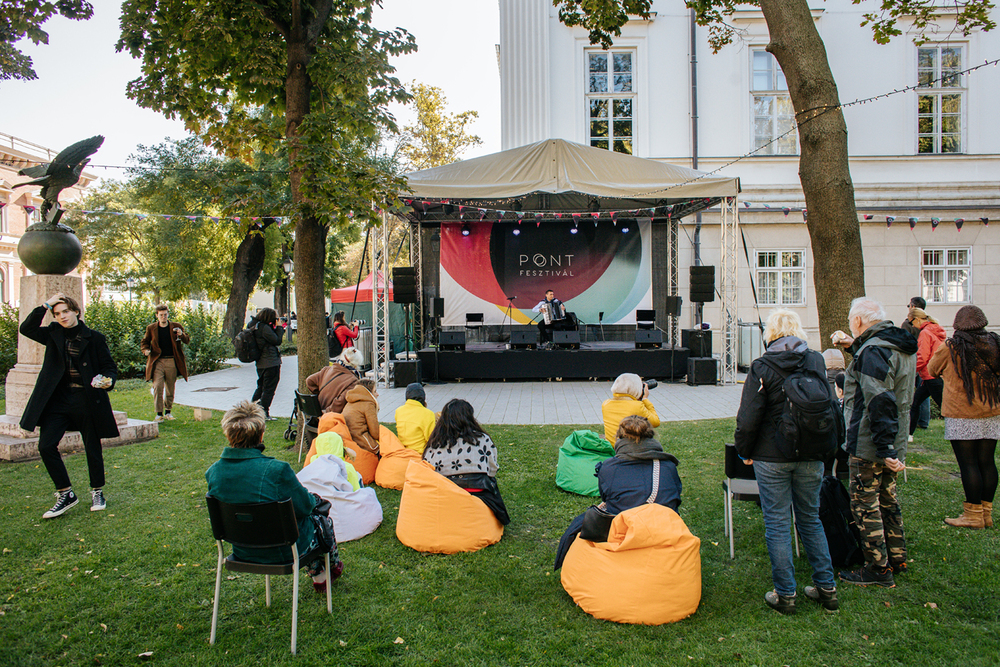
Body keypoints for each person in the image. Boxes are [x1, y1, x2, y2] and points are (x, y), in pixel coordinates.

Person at [734, 309, 842, 614]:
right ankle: (826, 588)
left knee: (778, 523)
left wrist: (744, 450)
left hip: (772, 456)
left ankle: (786, 594)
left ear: (770, 332)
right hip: (812, 451)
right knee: (810, 519)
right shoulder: (816, 360)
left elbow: (748, 417)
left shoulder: (762, 365)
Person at [205, 401, 343, 592]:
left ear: (227, 434)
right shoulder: (277, 471)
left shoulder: (213, 473)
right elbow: (305, 507)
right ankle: (331, 568)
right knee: (320, 518)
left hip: (242, 548)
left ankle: (319, 572)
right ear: (261, 434)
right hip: (283, 550)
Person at [833, 297, 916, 587]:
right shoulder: (896, 344)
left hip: (871, 441)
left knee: (866, 504)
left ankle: (877, 569)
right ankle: (896, 556)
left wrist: (883, 448)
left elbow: (879, 400)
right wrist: (851, 347)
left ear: (857, 321)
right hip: (893, 436)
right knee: (887, 498)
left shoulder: (874, 351)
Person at [19, 293, 119, 518]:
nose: (62, 316)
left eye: (65, 311)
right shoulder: (52, 334)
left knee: (92, 446)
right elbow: (26, 328)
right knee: (45, 446)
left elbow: (109, 366)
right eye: (57, 313)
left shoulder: (95, 338)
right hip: (57, 401)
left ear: (76, 311)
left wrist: (108, 380)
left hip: (87, 400)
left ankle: (97, 491)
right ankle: (66, 493)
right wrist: (45, 304)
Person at [554, 415, 681, 569]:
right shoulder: (669, 466)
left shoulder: (608, 468)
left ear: (619, 439)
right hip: (662, 532)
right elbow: (675, 500)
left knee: (582, 523)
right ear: (651, 438)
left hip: (625, 534)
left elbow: (607, 498)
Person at [928, 305, 1000, 529]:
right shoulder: (996, 343)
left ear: (958, 326)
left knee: (969, 464)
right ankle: (985, 514)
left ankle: (973, 515)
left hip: (962, 413)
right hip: (992, 410)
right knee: (987, 462)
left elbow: (932, 370)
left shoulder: (952, 347)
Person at [422, 399, 509, 525]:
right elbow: (493, 469)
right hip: (480, 493)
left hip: (446, 494)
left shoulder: (435, 444)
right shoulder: (482, 439)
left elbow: (428, 473)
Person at [141, 304, 190, 422]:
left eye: (165, 315)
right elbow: (145, 342)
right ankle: (159, 414)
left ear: (168, 314)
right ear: (157, 315)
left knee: (170, 387)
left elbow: (187, 340)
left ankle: (168, 411)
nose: (163, 317)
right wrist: (146, 350)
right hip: (157, 361)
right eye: (161, 315)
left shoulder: (176, 327)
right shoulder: (151, 328)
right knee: (157, 386)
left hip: (171, 360)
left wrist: (181, 334)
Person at [907, 307, 946, 440]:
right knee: (915, 402)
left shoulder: (925, 333)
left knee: (944, 407)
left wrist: (912, 371)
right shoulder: (935, 330)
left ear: (917, 319)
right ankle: (909, 434)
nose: (913, 326)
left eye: (912, 323)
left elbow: (922, 357)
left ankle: (961, 433)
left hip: (930, 375)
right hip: (933, 374)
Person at [601, 372, 660, 442]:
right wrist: (645, 399)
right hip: (628, 448)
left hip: (613, 446)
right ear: (635, 389)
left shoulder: (606, 404)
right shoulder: (637, 406)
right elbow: (656, 422)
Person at [902, 297, 931, 430]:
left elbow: (905, 342)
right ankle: (923, 421)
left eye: (909, 305)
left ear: (913, 307)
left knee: (913, 391)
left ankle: (913, 421)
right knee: (923, 391)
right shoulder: (928, 323)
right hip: (926, 361)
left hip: (914, 359)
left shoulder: (909, 323)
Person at [249, 308, 284, 420]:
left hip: (260, 362)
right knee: (269, 388)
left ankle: (252, 409)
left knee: (261, 387)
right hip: (270, 362)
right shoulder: (264, 328)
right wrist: (279, 327)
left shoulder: (253, 325)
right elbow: (277, 340)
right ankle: (263, 412)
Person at [306, 348, 363, 414]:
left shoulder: (327, 369)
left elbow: (309, 380)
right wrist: (326, 412)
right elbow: (340, 402)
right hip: (329, 416)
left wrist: (319, 395)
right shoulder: (353, 381)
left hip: (319, 409)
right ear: (356, 365)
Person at [394, 382, 436, 455]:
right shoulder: (428, 414)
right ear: (423, 396)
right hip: (420, 456)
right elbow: (432, 440)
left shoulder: (399, 411)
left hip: (402, 453)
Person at [343, 379, 380, 455]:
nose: (377, 394)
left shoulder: (350, 402)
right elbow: (375, 433)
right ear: (368, 393)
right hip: (363, 441)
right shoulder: (368, 404)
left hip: (349, 441)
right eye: (375, 391)